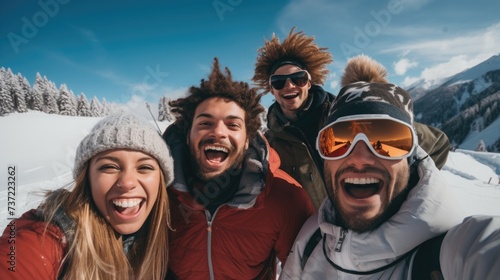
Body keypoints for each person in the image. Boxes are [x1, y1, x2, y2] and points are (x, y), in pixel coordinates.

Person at [279, 55, 500, 279]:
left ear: (412, 156)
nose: (359, 158)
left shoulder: (451, 254)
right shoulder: (310, 240)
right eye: (338, 141)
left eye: (387, 140)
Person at [252, 28, 450, 210]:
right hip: (318, 237)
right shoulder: (271, 144)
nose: (289, 86)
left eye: (298, 78)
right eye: (278, 82)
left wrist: (403, 195)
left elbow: (436, 144)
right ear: (271, 89)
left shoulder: (348, 115)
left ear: (309, 82)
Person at [163, 58, 315, 279]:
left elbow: (306, 273)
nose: (219, 133)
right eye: (205, 123)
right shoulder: (159, 190)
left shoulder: (285, 196)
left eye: (233, 124)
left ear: (247, 140)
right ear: (188, 136)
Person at [0, 113, 174, 279]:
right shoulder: (49, 235)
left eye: (145, 167)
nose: (127, 182)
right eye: (109, 167)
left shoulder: (174, 236)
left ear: (161, 180)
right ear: (87, 179)